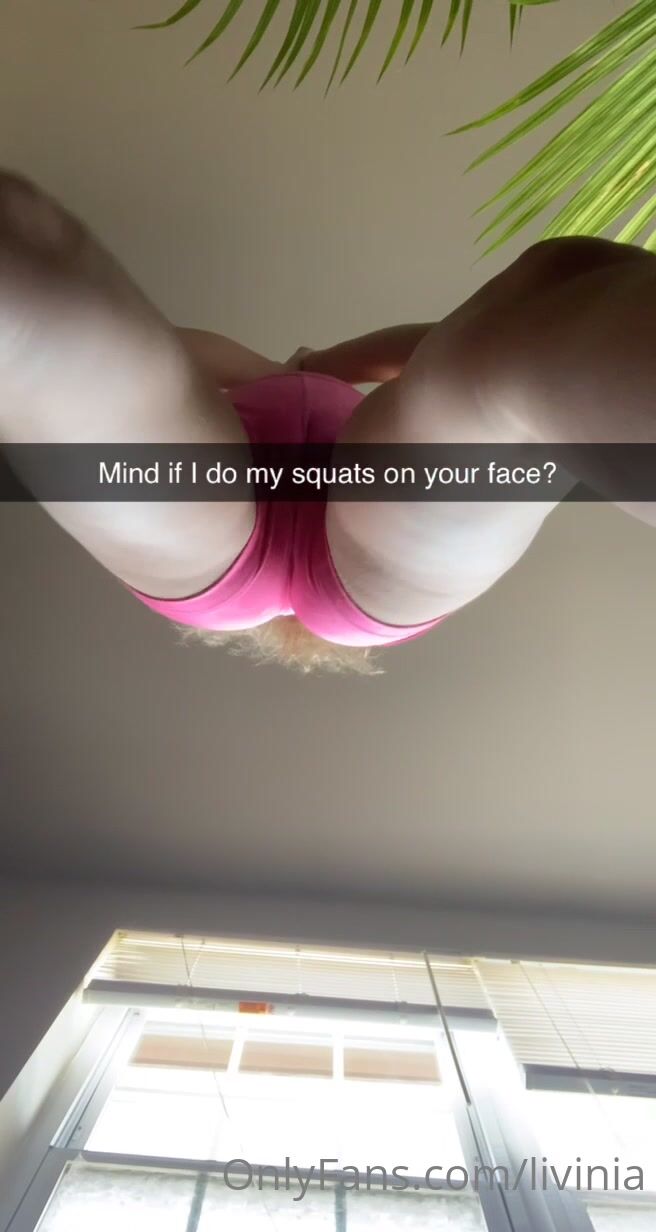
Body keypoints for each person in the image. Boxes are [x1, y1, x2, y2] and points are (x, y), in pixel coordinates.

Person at [0, 169, 654, 673]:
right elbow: (436, 351)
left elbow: (167, 355)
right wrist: (323, 365)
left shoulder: (249, 389)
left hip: (262, 575)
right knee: (544, 303)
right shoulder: (298, 394)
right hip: (300, 581)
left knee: (40, 283)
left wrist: (297, 368)